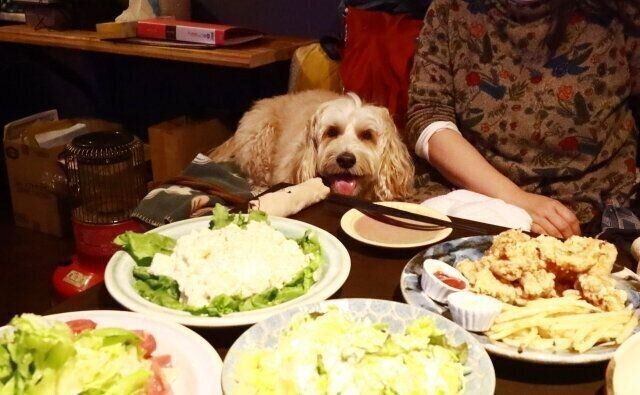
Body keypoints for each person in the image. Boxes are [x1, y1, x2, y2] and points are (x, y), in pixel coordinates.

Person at [407, 0, 640, 238]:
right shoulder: (452, 8)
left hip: (586, 210)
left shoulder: (617, 13)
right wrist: (517, 199)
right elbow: (428, 116)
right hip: (473, 195)